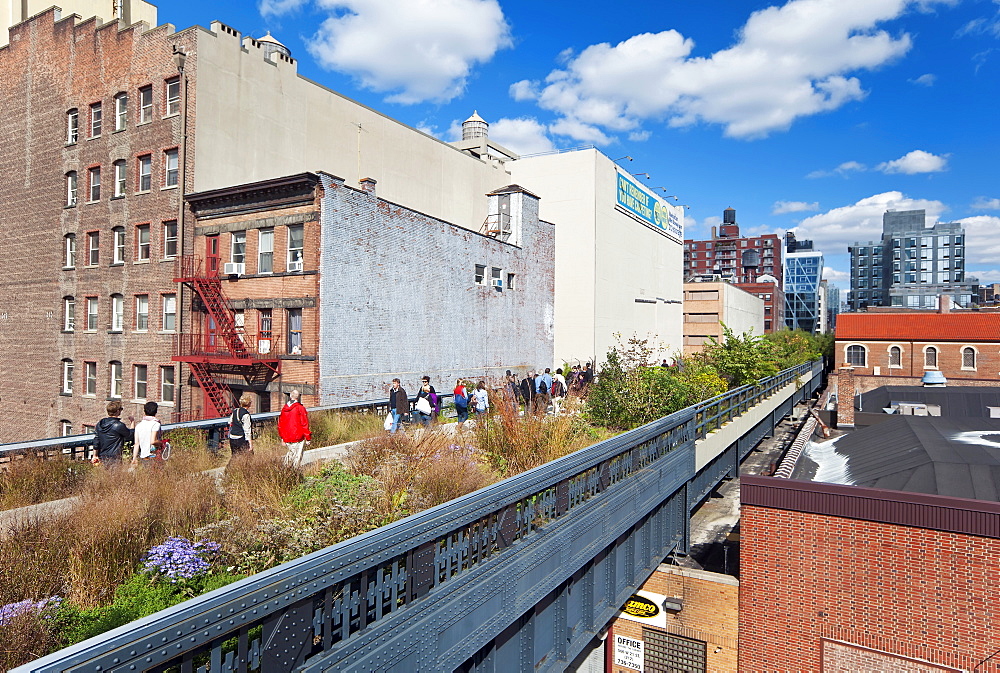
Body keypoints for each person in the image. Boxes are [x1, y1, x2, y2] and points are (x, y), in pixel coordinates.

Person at [91, 400, 133, 466]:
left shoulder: (100, 424)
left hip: (102, 456)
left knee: (104, 475)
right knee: (114, 475)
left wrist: (95, 455)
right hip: (115, 457)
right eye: (120, 409)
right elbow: (130, 435)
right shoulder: (119, 425)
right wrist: (132, 422)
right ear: (117, 411)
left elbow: (96, 440)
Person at [278, 389, 311, 468]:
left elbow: (280, 424)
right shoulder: (300, 408)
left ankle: (285, 470)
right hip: (298, 435)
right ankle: (294, 472)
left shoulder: (284, 409)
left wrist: (282, 437)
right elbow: (304, 423)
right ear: (298, 397)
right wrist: (308, 437)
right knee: (297, 456)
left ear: (290, 396)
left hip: (287, 435)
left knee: (290, 453)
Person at [133, 401, 163, 468]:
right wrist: (161, 443)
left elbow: (136, 444)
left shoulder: (139, 425)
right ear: (156, 411)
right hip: (153, 455)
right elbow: (153, 441)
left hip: (143, 456)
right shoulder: (155, 424)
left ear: (144, 411)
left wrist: (134, 458)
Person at [227, 394, 254, 462]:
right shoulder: (246, 415)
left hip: (232, 437)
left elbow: (229, 422)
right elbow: (247, 430)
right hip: (241, 438)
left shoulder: (235, 411)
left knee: (234, 455)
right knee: (247, 456)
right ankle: (243, 470)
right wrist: (250, 444)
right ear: (249, 404)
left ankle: (228, 470)